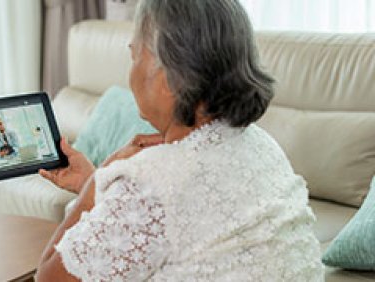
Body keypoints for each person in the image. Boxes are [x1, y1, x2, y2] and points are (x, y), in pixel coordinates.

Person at [35, 0, 324, 281]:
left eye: (135, 55)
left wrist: (97, 184)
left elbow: (49, 278)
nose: (131, 72)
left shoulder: (151, 181)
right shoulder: (262, 144)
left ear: (170, 79)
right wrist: (106, 187)